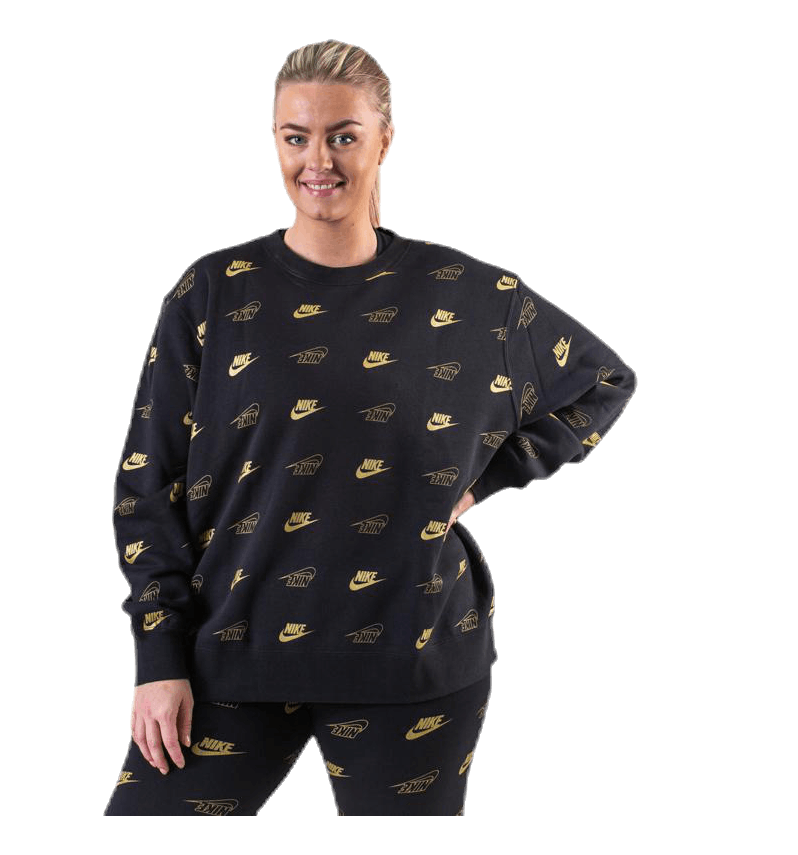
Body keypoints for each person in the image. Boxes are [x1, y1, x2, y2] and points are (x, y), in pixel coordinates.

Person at [104, 38, 637, 817]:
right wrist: (157, 656)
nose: (317, 159)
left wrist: (486, 479)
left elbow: (603, 380)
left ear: (384, 140)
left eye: (342, 135)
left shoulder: (471, 294)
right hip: (230, 654)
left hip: (411, 660)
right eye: (296, 136)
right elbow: (146, 483)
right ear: (275, 142)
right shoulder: (213, 290)